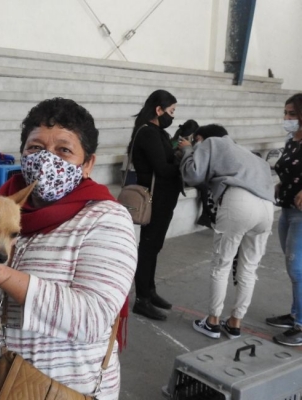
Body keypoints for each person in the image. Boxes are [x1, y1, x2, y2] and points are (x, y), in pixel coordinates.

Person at [0, 98, 137, 399]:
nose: (46, 159)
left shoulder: (106, 218)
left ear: (88, 164)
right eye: (35, 148)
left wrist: (5, 278)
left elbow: (94, 318)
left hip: (58, 390)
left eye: (64, 150)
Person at [178, 124, 274, 339]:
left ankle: (212, 322)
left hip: (239, 201)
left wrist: (187, 151)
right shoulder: (251, 155)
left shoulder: (211, 142)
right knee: (249, 268)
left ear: (201, 138)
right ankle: (234, 323)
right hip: (267, 208)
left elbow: (193, 175)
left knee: (221, 264)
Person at [127, 89, 181, 321]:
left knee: (154, 246)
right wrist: (185, 159)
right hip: (154, 199)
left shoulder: (156, 132)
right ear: (158, 110)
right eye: (171, 111)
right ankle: (142, 300)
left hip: (163, 198)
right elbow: (162, 168)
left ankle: (150, 291)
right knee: (148, 248)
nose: (173, 116)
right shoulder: (148, 133)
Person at [267, 93, 302, 346]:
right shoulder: (292, 141)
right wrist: (282, 184)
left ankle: (301, 323)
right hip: (287, 209)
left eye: (292, 114)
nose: (287, 118)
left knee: (297, 268)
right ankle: (295, 314)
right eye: (286, 113)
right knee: (294, 268)